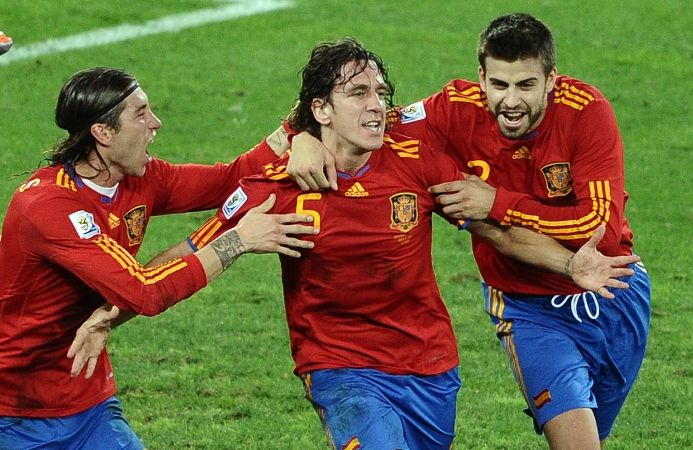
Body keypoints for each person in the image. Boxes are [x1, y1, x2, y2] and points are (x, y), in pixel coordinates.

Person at [70, 39, 640, 449]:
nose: (377, 106)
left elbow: (493, 229)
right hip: (341, 368)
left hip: (430, 370)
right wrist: (104, 318)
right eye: (358, 94)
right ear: (321, 110)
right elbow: (195, 251)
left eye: (381, 93)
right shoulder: (277, 182)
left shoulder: (415, 160)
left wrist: (571, 264)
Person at [284, 14, 651, 450]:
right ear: (481, 77)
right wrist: (300, 135)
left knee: (597, 437)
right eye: (499, 85)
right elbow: (367, 119)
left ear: (551, 79)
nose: (510, 100)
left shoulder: (586, 112)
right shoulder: (454, 108)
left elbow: (600, 232)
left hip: (613, 292)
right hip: (527, 306)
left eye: (526, 86)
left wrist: (496, 201)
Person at [0, 67, 318, 449]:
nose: (156, 122)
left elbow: (231, 179)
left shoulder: (141, 178)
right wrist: (236, 241)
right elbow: (144, 292)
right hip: (14, 410)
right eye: (140, 114)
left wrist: (302, 125)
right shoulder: (49, 206)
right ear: (103, 133)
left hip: (87, 403)